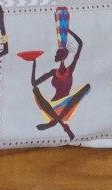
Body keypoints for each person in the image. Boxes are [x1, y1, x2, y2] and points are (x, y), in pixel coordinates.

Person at [24, 7, 88, 139]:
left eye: (56, 54)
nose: (54, 56)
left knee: (86, 87)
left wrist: (67, 30)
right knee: (35, 90)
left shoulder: (70, 69)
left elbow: (80, 44)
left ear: (61, 56)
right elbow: (34, 83)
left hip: (67, 105)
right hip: (53, 106)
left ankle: (55, 122)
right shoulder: (54, 72)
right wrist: (34, 63)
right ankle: (61, 124)